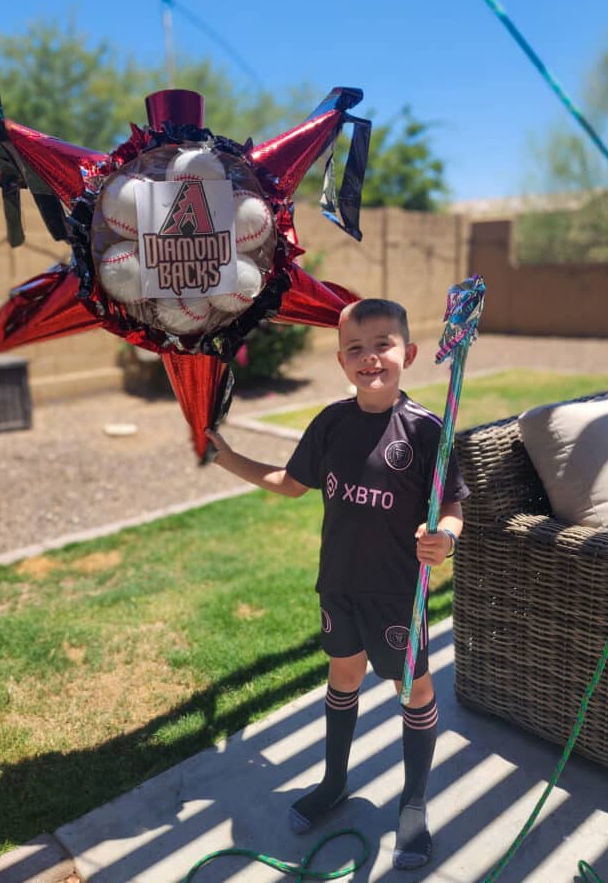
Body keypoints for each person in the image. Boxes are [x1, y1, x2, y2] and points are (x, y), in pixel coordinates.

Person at [205, 297, 469, 870]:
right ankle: (333, 783)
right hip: (340, 586)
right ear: (341, 361)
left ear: (409, 353)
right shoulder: (330, 423)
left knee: (414, 691)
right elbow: (292, 482)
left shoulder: (428, 431)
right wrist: (229, 460)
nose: (370, 358)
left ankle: (415, 802)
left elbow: (451, 503)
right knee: (342, 675)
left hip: (400, 592)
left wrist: (445, 537)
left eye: (383, 345)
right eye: (356, 348)